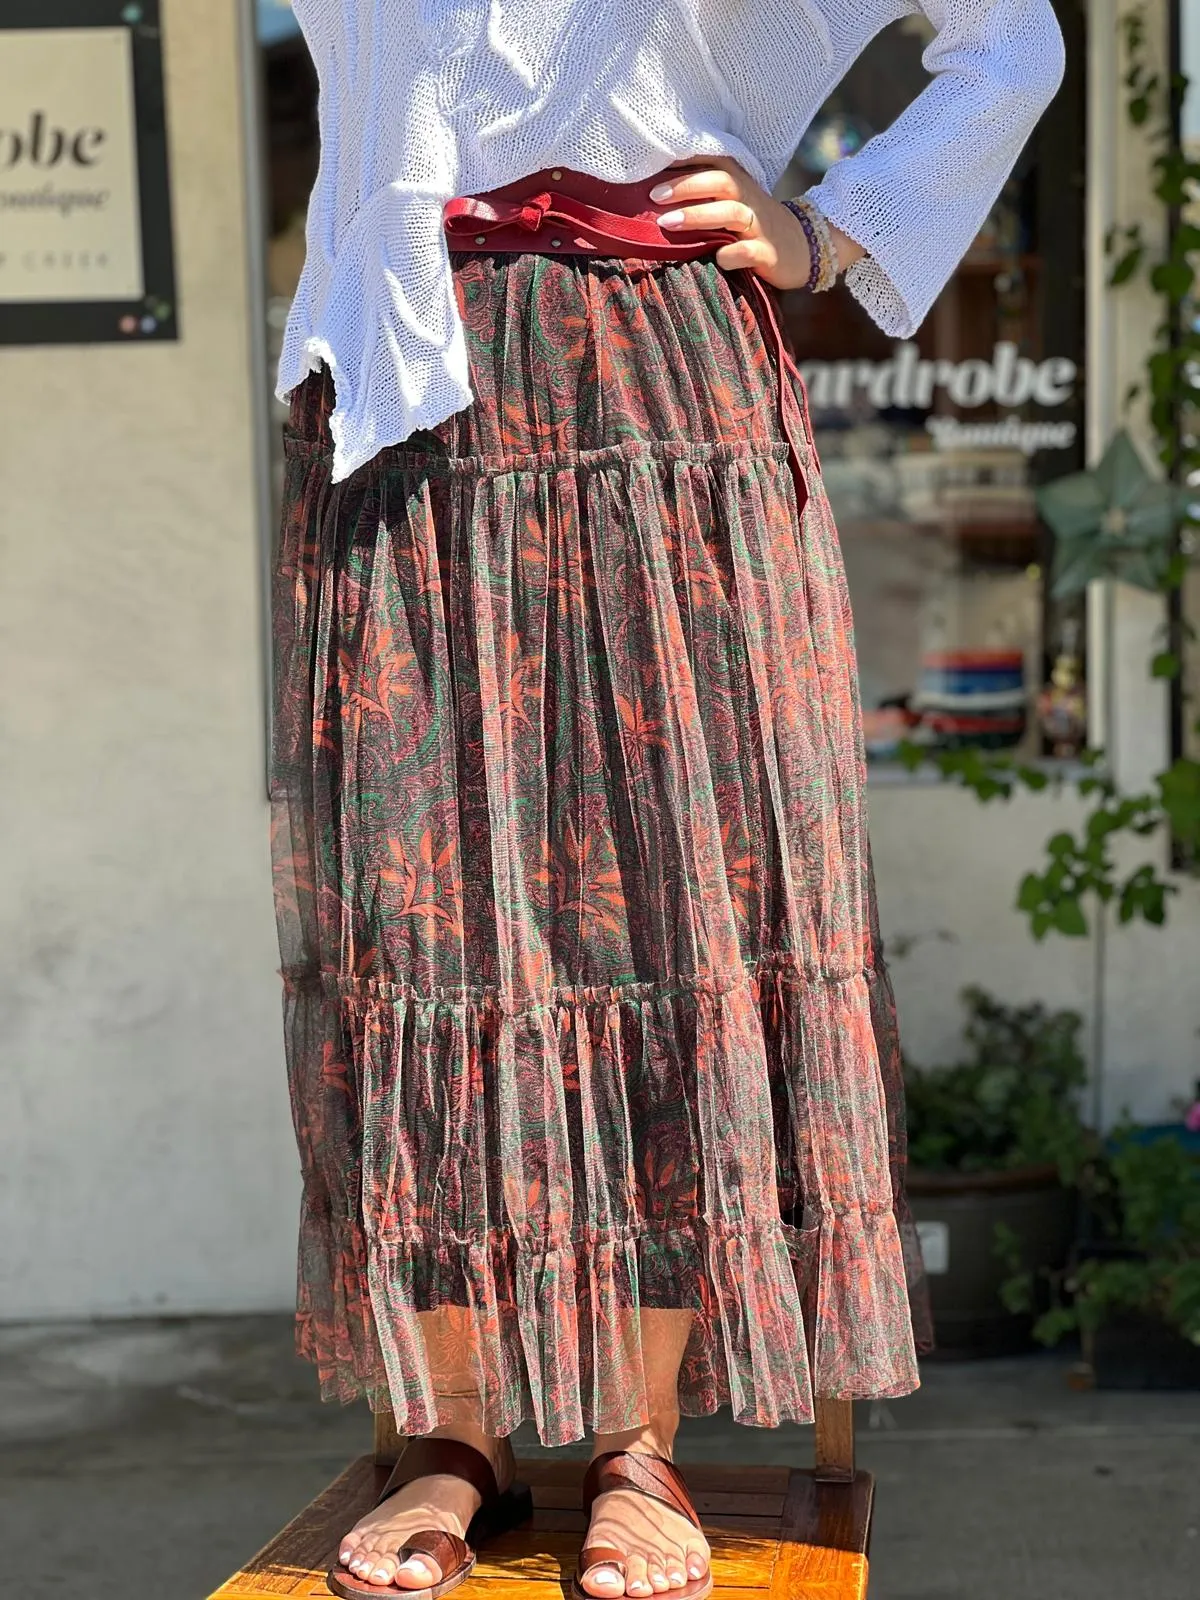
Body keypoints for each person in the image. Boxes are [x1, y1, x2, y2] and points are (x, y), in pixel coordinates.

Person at [268, 4, 1065, 1599]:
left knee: (670, 900)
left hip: (663, 386)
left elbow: (1012, 35)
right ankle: (455, 1433)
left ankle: (640, 1444)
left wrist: (841, 230)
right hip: (401, 375)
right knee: (422, 919)